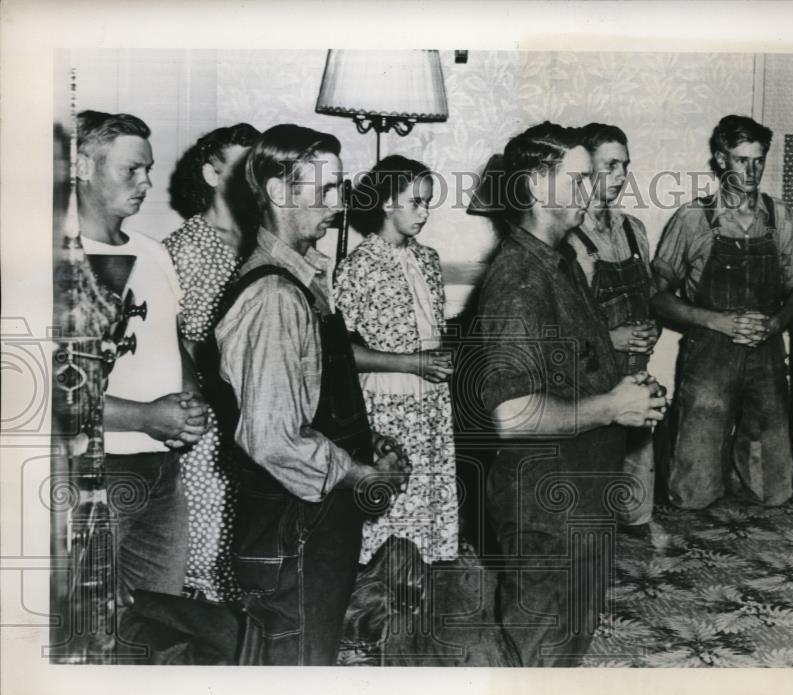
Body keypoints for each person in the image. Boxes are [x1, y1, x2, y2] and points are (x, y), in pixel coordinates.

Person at [214, 124, 409, 665]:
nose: (338, 206)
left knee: (308, 655)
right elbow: (273, 438)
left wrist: (367, 445)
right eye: (324, 192)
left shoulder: (306, 280)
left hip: (317, 522)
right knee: (295, 667)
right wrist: (356, 471)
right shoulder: (274, 295)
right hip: (291, 529)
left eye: (339, 190)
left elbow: (312, 401)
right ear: (278, 193)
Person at [477, 122, 667, 666]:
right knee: (539, 656)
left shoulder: (560, 262)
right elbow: (511, 416)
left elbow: (574, 366)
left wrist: (626, 390)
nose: (594, 190)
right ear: (538, 188)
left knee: (568, 645)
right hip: (544, 506)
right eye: (579, 179)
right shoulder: (519, 280)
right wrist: (611, 406)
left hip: (579, 496)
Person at [75, 110, 207, 601]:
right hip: (92, 469)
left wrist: (191, 399)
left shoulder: (153, 252)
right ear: (82, 166)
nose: (146, 181)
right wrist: (148, 416)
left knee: (160, 614)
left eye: (148, 168)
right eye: (131, 169)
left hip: (161, 471)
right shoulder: (51, 259)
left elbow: (170, 338)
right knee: (85, 615)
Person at [651, 114, 793, 510]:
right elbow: (656, 296)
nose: (752, 171)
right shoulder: (692, 218)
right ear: (721, 160)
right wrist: (714, 320)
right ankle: (693, 451)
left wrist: (774, 324)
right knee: (693, 496)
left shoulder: (779, 216)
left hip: (766, 350)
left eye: (758, 160)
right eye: (741, 160)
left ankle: (743, 462)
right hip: (710, 350)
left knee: (776, 494)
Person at [332, 155, 459, 568]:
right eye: (415, 202)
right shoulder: (358, 266)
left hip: (430, 404)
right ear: (387, 202)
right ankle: (376, 594)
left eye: (428, 203)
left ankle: (416, 580)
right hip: (386, 409)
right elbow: (341, 355)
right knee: (391, 500)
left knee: (426, 497)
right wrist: (411, 363)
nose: (424, 212)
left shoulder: (429, 259)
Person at [163, 123, 261, 602]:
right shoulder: (184, 248)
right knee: (208, 540)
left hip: (258, 411)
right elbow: (175, 342)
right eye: (242, 166)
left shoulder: (261, 243)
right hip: (210, 415)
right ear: (210, 171)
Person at [567, 123, 659, 536]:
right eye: (610, 165)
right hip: (587, 370)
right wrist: (612, 337)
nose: (621, 176)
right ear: (586, 170)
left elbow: (649, 293)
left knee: (638, 446)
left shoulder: (633, 230)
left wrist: (649, 328)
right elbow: (564, 321)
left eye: (625, 165)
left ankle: (636, 521)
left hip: (635, 364)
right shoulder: (569, 235)